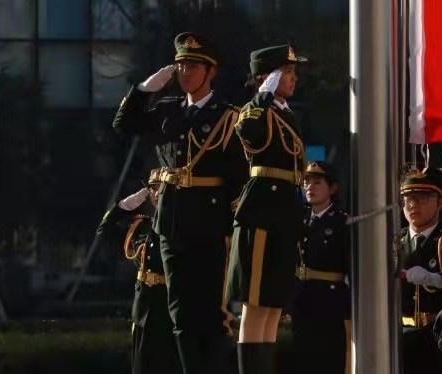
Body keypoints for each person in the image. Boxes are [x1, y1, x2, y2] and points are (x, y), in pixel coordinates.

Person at [112, 33, 247, 374]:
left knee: (211, 315)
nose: (185, 72)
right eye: (181, 65)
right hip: (170, 225)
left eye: (193, 66)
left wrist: (235, 230)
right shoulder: (168, 110)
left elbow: (237, 177)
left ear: (210, 72)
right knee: (181, 315)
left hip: (210, 227)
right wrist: (144, 89)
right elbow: (123, 124)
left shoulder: (227, 116)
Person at [226, 44, 308, 374]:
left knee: (274, 306)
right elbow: (247, 132)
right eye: (286, 73)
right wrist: (262, 96)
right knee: (256, 306)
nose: (293, 78)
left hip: (284, 214)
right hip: (262, 213)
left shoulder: (285, 113)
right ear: (267, 77)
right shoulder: (256, 110)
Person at [97, 187, 181, 374]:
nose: (158, 194)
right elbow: (104, 232)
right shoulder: (141, 226)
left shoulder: (181, 226)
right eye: (154, 189)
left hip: (171, 309)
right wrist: (124, 206)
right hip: (144, 309)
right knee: (141, 367)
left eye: (163, 188)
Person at [398, 168, 442, 374]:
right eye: (408, 198)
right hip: (401, 332)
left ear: (439, 201)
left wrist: (433, 278)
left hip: (438, 335)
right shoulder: (394, 242)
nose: (413, 204)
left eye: (423, 197)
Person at [291, 161, 351, 374]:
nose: (309, 187)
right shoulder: (299, 219)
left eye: (317, 182)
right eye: (306, 182)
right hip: (301, 300)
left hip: (330, 303)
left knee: (328, 361)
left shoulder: (342, 222)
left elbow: (350, 267)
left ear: (332, 188)